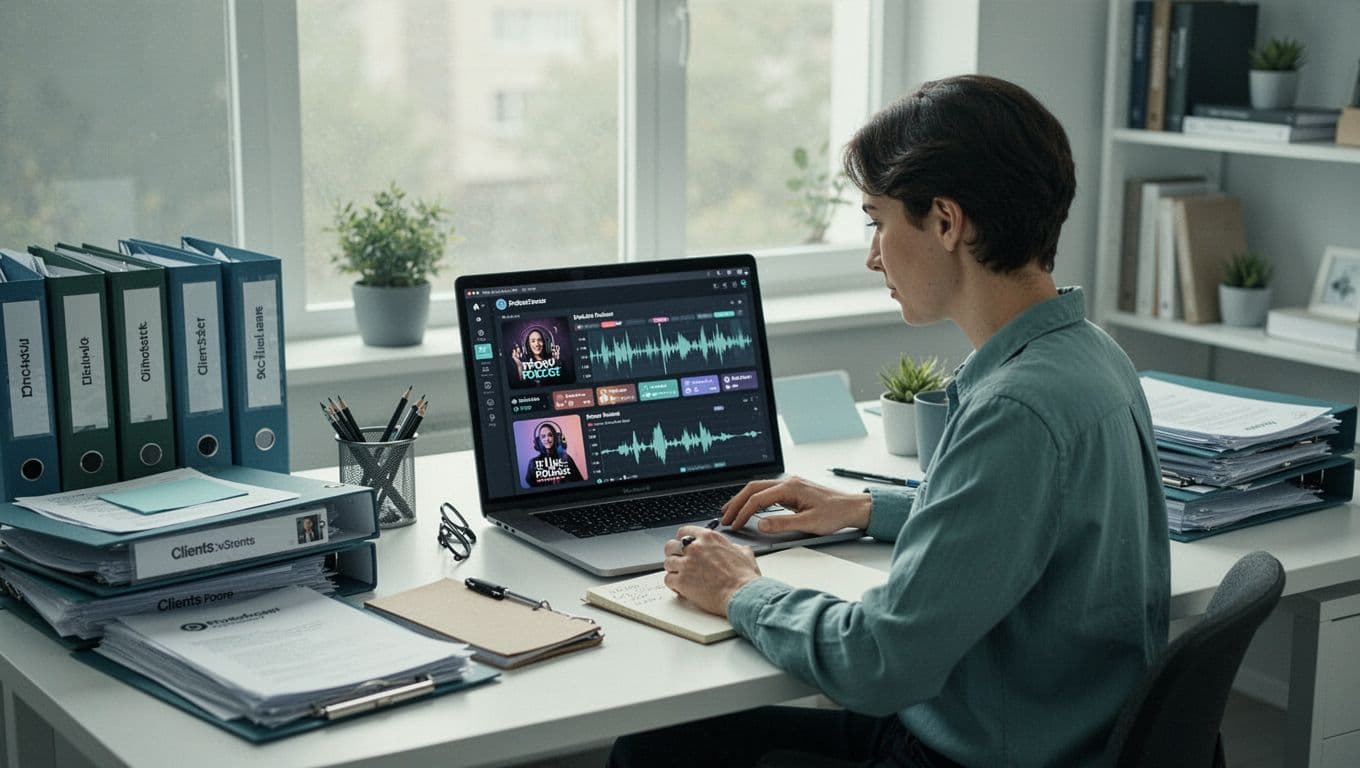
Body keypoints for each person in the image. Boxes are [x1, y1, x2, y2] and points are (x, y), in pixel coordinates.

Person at [610, 75, 1170, 767]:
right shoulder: (1089, 354)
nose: (873, 255)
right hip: (1040, 732)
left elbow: (876, 662)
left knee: (655, 752)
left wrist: (739, 588)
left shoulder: (1015, 410)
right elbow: (1025, 525)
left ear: (944, 221)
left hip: (964, 756)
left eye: (878, 221)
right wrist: (868, 508)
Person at [524, 420, 584, 487]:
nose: (547, 439)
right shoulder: (533, 463)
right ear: (538, 441)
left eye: (550, 435)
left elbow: (579, 483)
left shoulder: (566, 458)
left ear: (557, 438)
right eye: (543, 436)